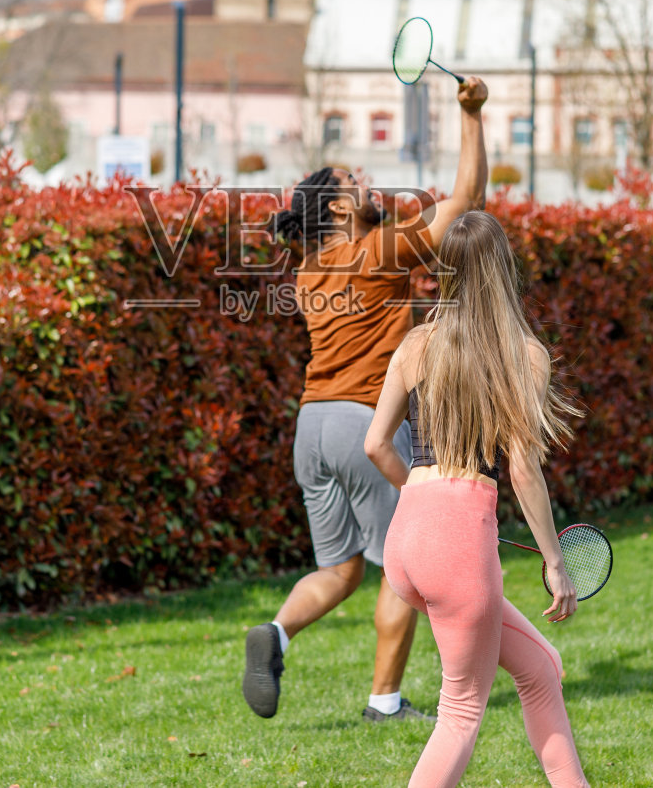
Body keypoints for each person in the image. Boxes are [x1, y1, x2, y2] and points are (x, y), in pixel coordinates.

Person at [241, 75, 488, 723]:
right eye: (354, 181)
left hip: (312, 427)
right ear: (340, 209)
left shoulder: (309, 268)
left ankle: (277, 632)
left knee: (341, 568)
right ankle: (384, 701)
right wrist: (472, 115)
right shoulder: (374, 250)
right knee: (401, 567)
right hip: (361, 426)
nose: (367, 183)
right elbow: (464, 202)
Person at [362, 210, 589, 788]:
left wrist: (424, 504)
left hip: (406, 541)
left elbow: (375, 445)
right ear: (502, 270)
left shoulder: (416, 342)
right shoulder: (523, 353)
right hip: (455, 545)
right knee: (460, 714)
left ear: (448, 273)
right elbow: (523, 469)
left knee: (540, 668)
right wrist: (555, 563)